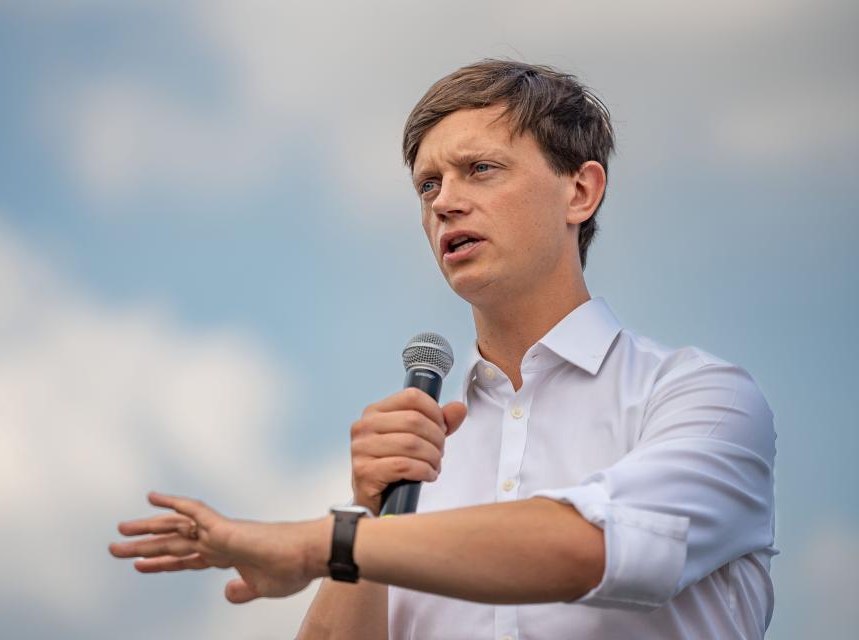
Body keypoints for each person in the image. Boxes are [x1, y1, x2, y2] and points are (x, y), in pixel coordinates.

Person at [109, 60, 777, 639]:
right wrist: (370, 514)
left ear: (580, 190)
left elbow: (591, 546)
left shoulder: (700, 398)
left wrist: (321, 542)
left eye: (479, 170)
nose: (445, 202)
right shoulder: (418, 454)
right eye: (428, 186)